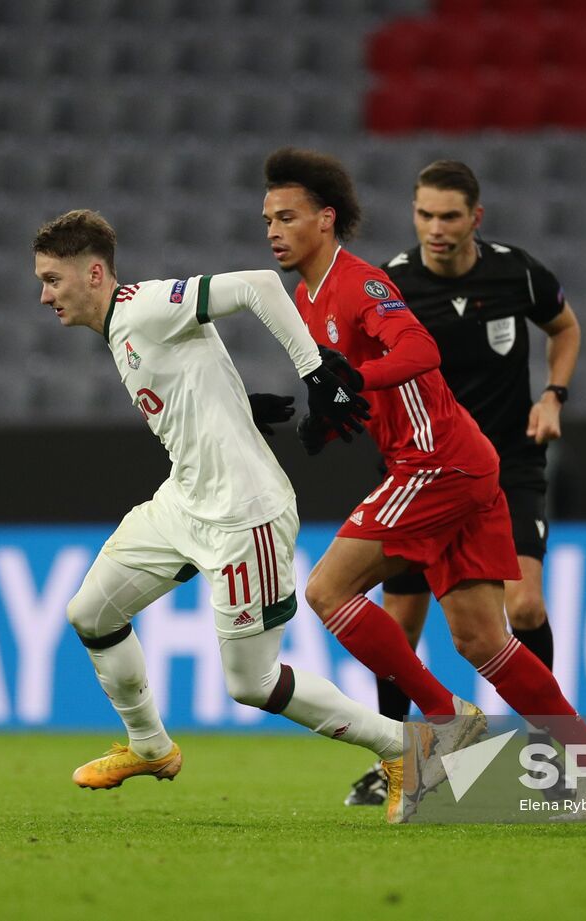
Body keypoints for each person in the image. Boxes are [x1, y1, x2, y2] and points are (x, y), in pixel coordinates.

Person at [32, 209, 435, 826]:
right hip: (183, 501)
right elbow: (186, 374)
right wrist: (233, 403)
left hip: (244, 514)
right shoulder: (121, 328)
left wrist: (313, 370)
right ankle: (151, 748)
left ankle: (402, 748)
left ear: (93, 273)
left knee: (252, 683)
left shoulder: (142, 305)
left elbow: (257, 286)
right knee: (91, 613)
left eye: (53, 280)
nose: (44, 295)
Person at [261, 147, 586, 818]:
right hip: (458, 458)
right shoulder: (307, 297)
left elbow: (418, 351)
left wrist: (357, 381)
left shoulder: (360, 283)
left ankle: (445, 719)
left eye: (287, 217)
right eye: (267, 219)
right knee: (482, 639)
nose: (274, 231)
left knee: (326, 589)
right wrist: (335, 418)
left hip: (438, 463)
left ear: (325, 219)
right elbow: (371, 385)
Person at [344, 160, 582, 808]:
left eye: (449, 216)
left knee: (524, 607)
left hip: (507, 463)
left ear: (476, 217)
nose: (436, 228)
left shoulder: (517, 272)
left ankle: (546, 751)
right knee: (398, 623)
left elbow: (565, 326)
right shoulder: (390, 284)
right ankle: (400, 758)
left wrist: (553, 395)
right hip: (420, 470)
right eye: (425, 214)